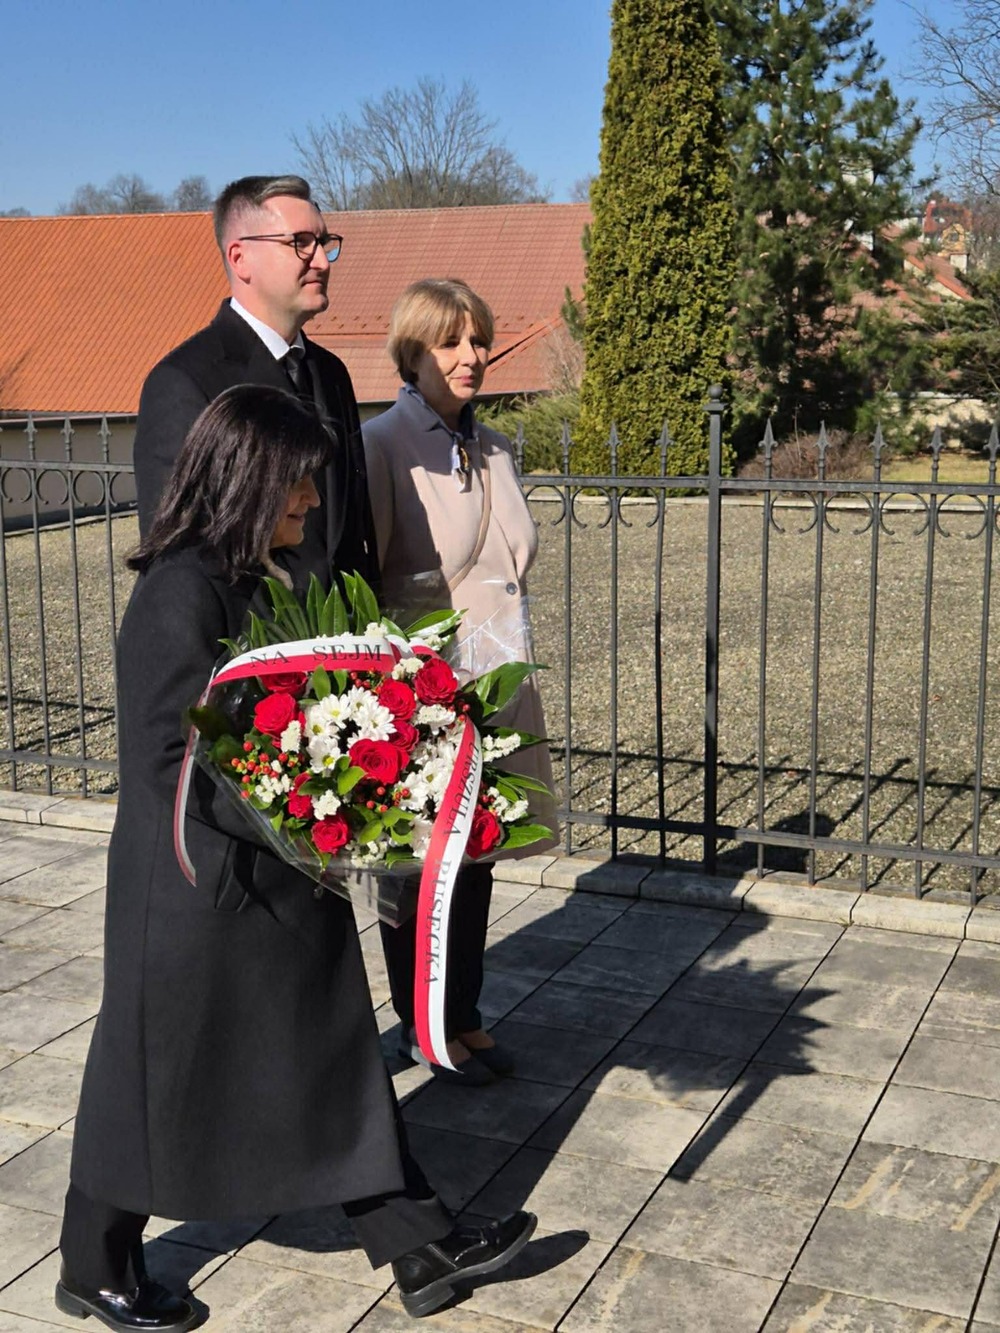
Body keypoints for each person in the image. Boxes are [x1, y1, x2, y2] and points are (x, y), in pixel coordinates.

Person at [57, 385, 535, 1332]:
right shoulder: (179, 590)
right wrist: (309, 812)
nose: (312, 504)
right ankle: (92, 1264)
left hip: (274, 870)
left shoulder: (255, 575)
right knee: (156, 1076)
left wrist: (354, 781)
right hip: (194, 892)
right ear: (246, 479)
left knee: (331, 1050)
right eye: (298, 487)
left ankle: (419, 1244)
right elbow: (171, 757)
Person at [363, 279, 558, 1087]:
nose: (471, 357)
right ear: (413, 353)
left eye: (478, 340)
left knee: (478, 859)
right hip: (424, 699)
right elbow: (364, 577)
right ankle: (421, 1026)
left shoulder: (498, 446)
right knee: (416, 870)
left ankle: (464, 1015)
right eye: (451, 342)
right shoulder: (380, 446)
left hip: (498, 688)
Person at [132, 173, 376, 588]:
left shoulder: (332, 373)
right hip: (258, 644)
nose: (319, 260)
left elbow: (352, 531)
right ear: (240, 258)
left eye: (323, 242)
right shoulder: (183, 382)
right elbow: (179, 558)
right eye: (299, 242)